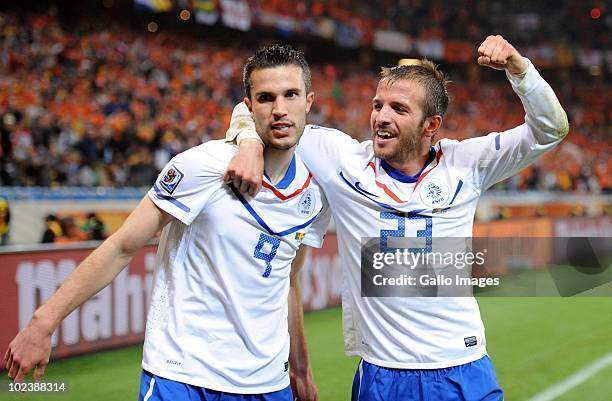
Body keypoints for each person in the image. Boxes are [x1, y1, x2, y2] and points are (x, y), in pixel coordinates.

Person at [225, 35, 569, 400]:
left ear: (431, 125)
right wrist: (248, 142)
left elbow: (550, 129)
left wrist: (520, 68)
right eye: (378, 105)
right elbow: (259, 110)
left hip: (463, 366)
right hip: (384, 376)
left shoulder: (467, 164)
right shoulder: (341, 159)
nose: (381, 117)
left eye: (399, 109)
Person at [5, 44, 330, 401]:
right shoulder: (203, 166)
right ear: (248, 107)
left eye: (291, 95)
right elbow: (122, 246)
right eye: (266, 98)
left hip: (269, 384)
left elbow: (290, 281)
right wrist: (43, 322)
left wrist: (300, 370)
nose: (280, 110)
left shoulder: (317, 188)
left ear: (308, 101)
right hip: (184, 375)